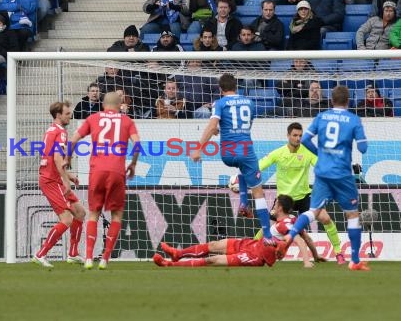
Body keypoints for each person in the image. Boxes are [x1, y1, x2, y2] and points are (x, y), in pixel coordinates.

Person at [279, 86, 370, 271]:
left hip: (322, 172)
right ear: (348, 101)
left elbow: (304, 140)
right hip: (342, 174)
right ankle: (354, 260)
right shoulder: (353, 120)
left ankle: (289, 236)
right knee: (352, 214)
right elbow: (363, 148)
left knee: (313, 211)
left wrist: (321, 154)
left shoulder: (321, 117)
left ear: (331, 101)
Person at [190, 73, 277, 246]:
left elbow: (213, 125)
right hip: (246, 150)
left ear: (221, 89)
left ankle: (243, 203)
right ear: (236, 86)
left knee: (241, 167)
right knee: (258, 193)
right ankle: (267, 236)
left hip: (228, 152)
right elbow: (247, 124)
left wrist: (198, 148)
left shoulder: (219, 103)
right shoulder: (249, 102)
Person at [69, 92, 140, 270]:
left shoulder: (93, 118)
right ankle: (105, 259)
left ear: (103, 105)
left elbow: (74, 139)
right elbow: (137, 144)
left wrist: (67, 158)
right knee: (116, 215)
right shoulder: (127, 121)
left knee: (94, 213)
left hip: (97, 171)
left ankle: (87, 258)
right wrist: (132, 164)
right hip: (117, 171)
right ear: (120, 104)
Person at [257, 122, 346, 264]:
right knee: (266, 226)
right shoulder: (278, 153)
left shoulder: (307, 151)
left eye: (300, 135)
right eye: (294, 135)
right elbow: (258, 166)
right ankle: (250, 249)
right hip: (285, 199)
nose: (298, 138)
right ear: (288, 136)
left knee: (325, 218)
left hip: (304, 196)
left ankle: (338, 253)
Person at [154, 195, 324, 268]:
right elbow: (307, 237)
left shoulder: (284, 224)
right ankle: (178, 253)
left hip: (257, 256)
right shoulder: (291, 221)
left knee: (214, 260)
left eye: (275, 203)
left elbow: (300, 241)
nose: (272, 206)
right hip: (252, 244)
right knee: (214, 244)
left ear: (279, 207)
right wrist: (316, 256)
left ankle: (170, 264)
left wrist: (307, 261)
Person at [31, 101, 86, 268]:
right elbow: (56, 158)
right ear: (58, 115)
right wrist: (65, 181)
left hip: (52, 177)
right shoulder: (61, 133)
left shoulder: (51, 130)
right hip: (51, 181)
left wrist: (69, 176)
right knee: (67, 219)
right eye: (67, 114)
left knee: (80, 213)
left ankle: (73, 253)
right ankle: (40, 254)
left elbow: (51, 159)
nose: (70, 116)